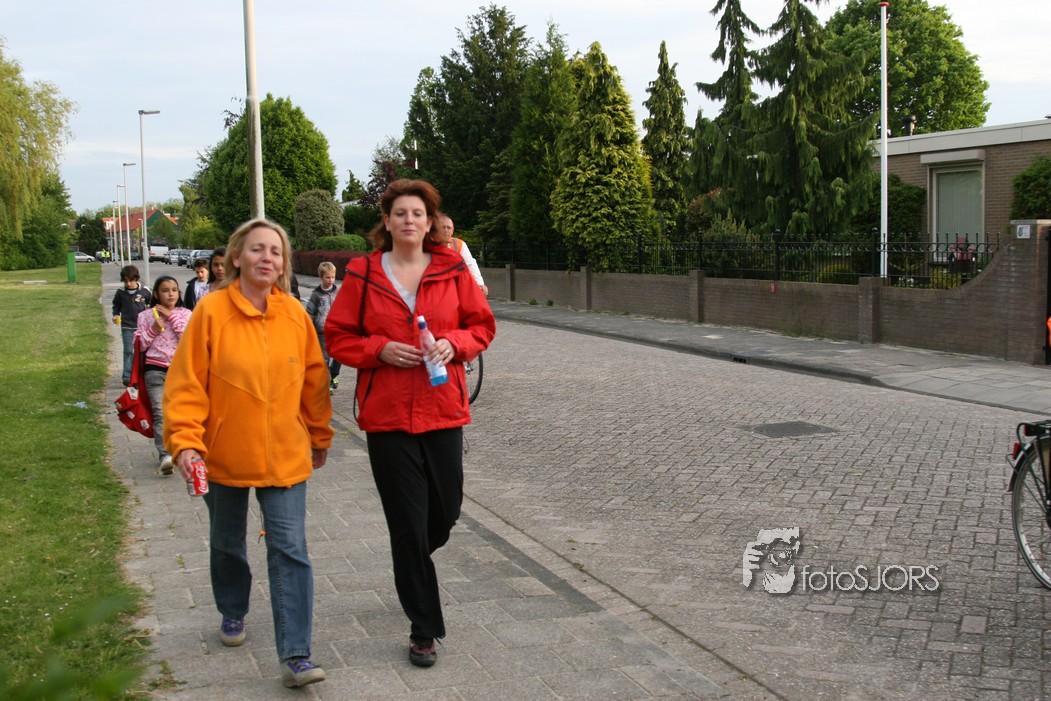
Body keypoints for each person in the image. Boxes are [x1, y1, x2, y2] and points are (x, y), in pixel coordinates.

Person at [325, 179, 495, 668]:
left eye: (417, 213)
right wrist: (377, 349)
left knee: (445, 511)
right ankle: (423, 628)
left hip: (443, 409)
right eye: (399, 213)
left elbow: (481, 326)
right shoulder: (363, 273)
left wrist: (453, 344)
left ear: (429, 221)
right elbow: (338, 336)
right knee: (406, 525)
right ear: (387, 220)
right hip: (388, 416)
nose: (408, 220)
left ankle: (415, 555)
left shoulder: (451, 269)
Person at [163, 220, 334, 689]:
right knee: (227, 542)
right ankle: (233, 608)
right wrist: (185, 442)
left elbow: (314, 382)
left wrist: (319, 436)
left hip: (286, 453)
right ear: (237, 256)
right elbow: (186, 384)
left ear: (283, 263)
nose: (267, 258)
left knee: (290, 549)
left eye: (275, 252)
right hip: (222, 453)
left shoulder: (295, 314)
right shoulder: (211, 311)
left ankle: (297, 655)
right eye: (257, 249)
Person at [134, 275, 191, 475]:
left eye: (174, 290)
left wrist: (171, 316)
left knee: (181, 413)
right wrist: (153, 330)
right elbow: (140, 345)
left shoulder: (185, 314)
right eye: (165, 290)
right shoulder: (146, 316)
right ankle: (165, 455)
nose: (170, 294)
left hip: (180, 371)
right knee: (160, 413)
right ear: (157, 294)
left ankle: (183, 449)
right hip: (155, 370)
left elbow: (188, 340)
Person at [111, 265, 152, 386]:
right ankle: (127, 376)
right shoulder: (120, 292)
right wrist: (115, 314)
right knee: (128, 351)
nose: (128, 284)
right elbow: (116, 305)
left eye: (131, 281)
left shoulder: (144, 291)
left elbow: (152, 303)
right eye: (125, 281)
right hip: (127, 326)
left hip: (142, 327)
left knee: (142, 352)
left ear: (136, 279)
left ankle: (141, 376)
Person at [305, 262, 341, 393]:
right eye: (327, 277)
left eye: (333, 277)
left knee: (339, 355)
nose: (331, 280)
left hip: (337, 331)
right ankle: (326, 384)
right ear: (321, 277)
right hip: (322, 332)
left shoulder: (338, 292)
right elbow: (309, 313)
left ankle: (333, 375)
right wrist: (309, 329)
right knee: (324, 359)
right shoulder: (316, 295)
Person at [438, 216, 488, 296]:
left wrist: (479, 283)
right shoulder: (428, 244)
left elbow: (470, 263)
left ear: (452, 230)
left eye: (449, 228)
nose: (446, 230)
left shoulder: (459, 244)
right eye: (443, 227)